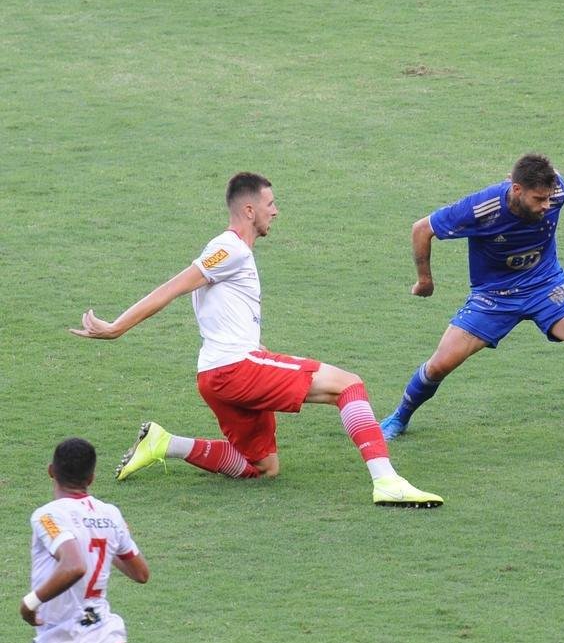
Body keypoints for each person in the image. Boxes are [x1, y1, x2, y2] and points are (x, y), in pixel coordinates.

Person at [70, 172, 441, 507]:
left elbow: (216, 305)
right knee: (348, 385)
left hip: (216, 375)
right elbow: (172, 288)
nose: (275, 211)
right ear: (249, 210)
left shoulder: (231, 251)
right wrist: (117, 327)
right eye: (270, 204)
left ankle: (165, 443)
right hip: (234, 369)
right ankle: (387, 481)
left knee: (262, 468)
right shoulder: (230, 248)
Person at [379, 153, 564, 439]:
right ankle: (399, 418)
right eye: (538, 199)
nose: (546, 206)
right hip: (494, 296)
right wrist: (425, 281)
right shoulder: (482, 208)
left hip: (546, 285)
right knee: (440, 365)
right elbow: (421, 229)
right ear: (516, 189)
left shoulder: (557, 191)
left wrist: (547, 185)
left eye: (549, 197)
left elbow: (552, 180)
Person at [21, 438, 150, 643]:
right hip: (107, 636)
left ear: (51, 471)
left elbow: (74, 566)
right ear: (91, 478)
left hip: (64, 638)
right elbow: (141, 573)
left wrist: (30, 603)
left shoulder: (47, 516)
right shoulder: (110, 514)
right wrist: (108, 538)